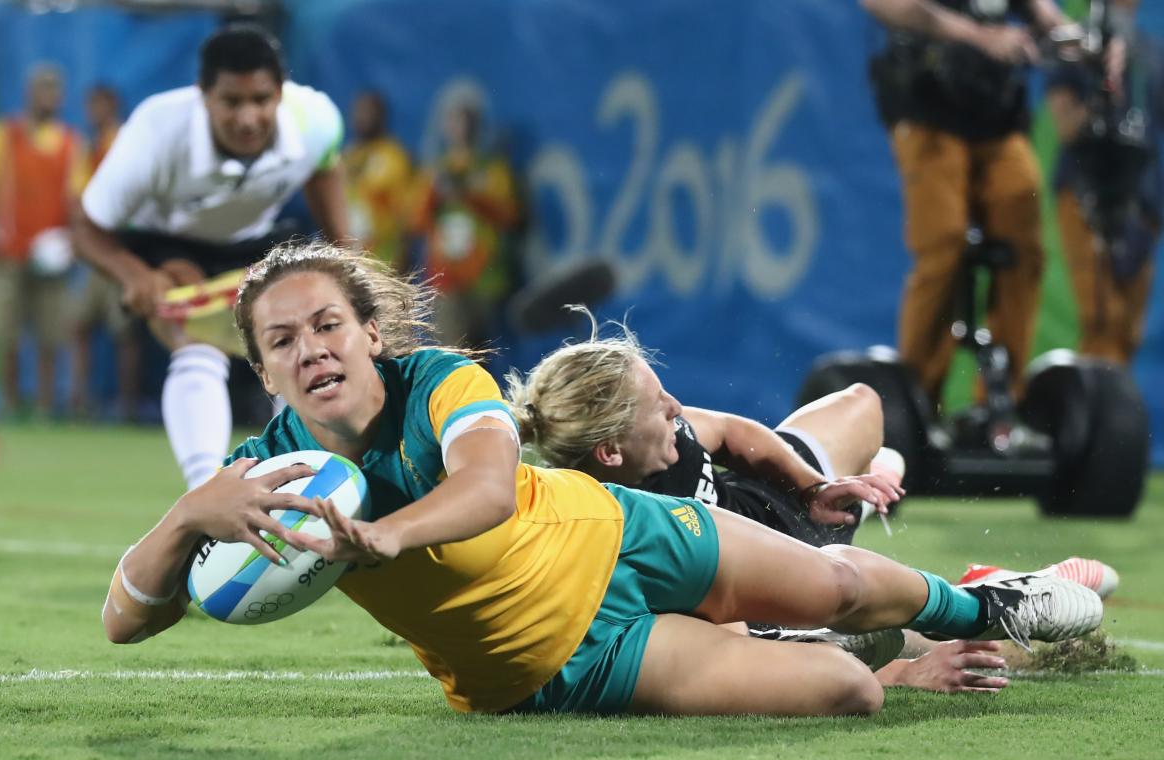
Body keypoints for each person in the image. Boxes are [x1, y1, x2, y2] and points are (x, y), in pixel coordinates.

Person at [101, 241, 1104, 716]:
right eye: (282, 339)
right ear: (264, 368)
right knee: (851, 692)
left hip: (616, 528)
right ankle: (893, 648)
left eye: (327, 324)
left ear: (369, 330)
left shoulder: (440, 379)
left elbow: (490, 486)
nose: (311, 347)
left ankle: (985, 605)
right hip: (558, 662)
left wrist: (391, 537)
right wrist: (189, 516)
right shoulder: (263, 472)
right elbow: (124, 618)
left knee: (841, 579)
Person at [506, 324, 1021, 693]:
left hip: (780, 509)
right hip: (775, 595)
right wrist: (904, 673)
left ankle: (857, 497)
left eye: (666, 394)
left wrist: (813, 488)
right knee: (898, 639)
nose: (677, 409)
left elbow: (729, 433)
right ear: (610, 453)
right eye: (659, 407)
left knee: (862, 401)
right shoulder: (616, 537)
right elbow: (734, 651)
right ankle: (911, 540)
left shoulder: (661, 438)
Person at [73, 25, 350, 489]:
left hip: (257, 241)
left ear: (281, 92)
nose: (248, 118)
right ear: (203, 95)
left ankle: (306, 474)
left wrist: (349, 257)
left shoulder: (316, 118)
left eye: (261, 100)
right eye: (232, 102)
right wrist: (136, 274)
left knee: (304, 348)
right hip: (168, 246)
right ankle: (207, 493)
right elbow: (85, 227)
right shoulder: (155, 131)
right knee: (196, 348)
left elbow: (325, 167)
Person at [861, 0, 1076, 404]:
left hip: (995, 117)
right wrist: (980, 36)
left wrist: (1074, 38)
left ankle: (1001, 408)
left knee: (1024, 248)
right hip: (927, 108)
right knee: (944, 242)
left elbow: (1046, 16)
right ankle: (917, 403)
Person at [0, 64, 85, 417]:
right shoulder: (2, 135)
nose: (48, 97)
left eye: (54, 90)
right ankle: (9, 404)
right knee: (8, 335)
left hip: (52, 257)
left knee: (51, 335)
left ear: (60, 97)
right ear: (30, 94)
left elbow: (77, 200)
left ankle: (46, 407)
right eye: (42, 89)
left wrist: (75, 242)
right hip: (9, 251)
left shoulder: (71, 143)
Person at [1046, 0, 1163, 365]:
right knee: (1102, 318)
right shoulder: (1076, 46)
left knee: (1127, 329)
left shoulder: (1152, 56)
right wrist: (1101, 95)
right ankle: (1098, 415)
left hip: (1143, 202)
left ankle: (1112, 414)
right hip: (1089, 191)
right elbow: (1066, 126)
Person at [409, 101, 519, 351]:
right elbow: (415, 221)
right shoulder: (436, 170)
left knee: (484, 355)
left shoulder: (492, 168)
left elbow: (511, 216)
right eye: (455, 122)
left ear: (477, 127)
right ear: (446, 128)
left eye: (467, 122)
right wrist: (435, 195)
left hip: (485, 276)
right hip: (446, 276)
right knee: (452, 352)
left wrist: (471, 196)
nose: (461, 129)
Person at [72, 85, 140, 420]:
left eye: (99, 105)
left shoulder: (124, 143)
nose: (93, 112)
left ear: (112, 106)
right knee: (81, 327)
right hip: (94, 257)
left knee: (124, 333)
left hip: (119, 254)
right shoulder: (89, 146)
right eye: (90, 105)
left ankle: (127, 406)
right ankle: (80, 403)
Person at [342, 91, 412, 270]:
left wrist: (402, 261)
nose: (360, 117)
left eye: (367, 111)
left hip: (382, 262)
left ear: (381, 116)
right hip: (349, 261)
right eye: (357, 111)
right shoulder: (347, 156)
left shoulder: (394, 156)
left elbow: (405, 215)